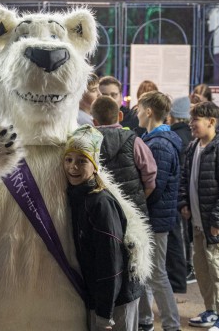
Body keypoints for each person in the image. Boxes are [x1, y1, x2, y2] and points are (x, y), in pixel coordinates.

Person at [64, 124, 143, 331]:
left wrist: (104, 314)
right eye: (68, 159)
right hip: (100, 297)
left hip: (116, 301)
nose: (73, 167)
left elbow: (111, 262)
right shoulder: (78, 196)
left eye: (82, 161)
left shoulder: (100, 203)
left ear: (95, 165)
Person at [178, 101, 219, 331]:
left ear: (211, 122)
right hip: (198, 224)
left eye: (195, 120)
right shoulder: (194, 146)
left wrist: (218, 221)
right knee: (203, 270)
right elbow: (185, 178)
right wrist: (184, 203)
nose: (191, 124)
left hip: (215, 226)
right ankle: (212, 311)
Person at [136, 91, 182, 331]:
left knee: (156, 274)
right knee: (146, 272)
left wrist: (138, 208)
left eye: (139, 107)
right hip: (154, 218)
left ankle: (172, 325)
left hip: (156, 219)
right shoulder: (154, 140)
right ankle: (145, 321)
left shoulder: (161, 144)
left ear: (149, 111)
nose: (136, 112)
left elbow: (155, 186)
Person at [90, 95, 157, 216]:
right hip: (133, 211)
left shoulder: (87, 143)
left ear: (94, 122)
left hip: (100, 210)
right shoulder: (134, 140)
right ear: (120, 116)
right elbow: (150, 174)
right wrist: (141, 197)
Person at [166, 96, 193, 292]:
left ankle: (177, 280)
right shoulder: (190, 137)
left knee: (176, 238)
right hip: (187, 195)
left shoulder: (175, 137)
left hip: (175, 196)